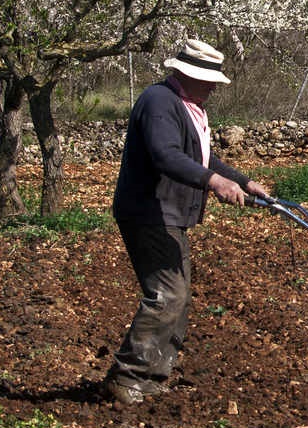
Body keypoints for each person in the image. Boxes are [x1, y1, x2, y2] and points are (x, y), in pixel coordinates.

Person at [102, 38, 270, 405]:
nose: (213, 85)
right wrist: (215, 183)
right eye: (208, 78)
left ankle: (152, 378)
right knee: (168, 295)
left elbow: (201, 157)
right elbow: (166, 156)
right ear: (185, 74)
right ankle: (127, 377)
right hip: (149, 213)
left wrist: (242, 181)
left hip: (168, 214)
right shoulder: (160, 102)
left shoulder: (187, 106)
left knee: (177, 297)